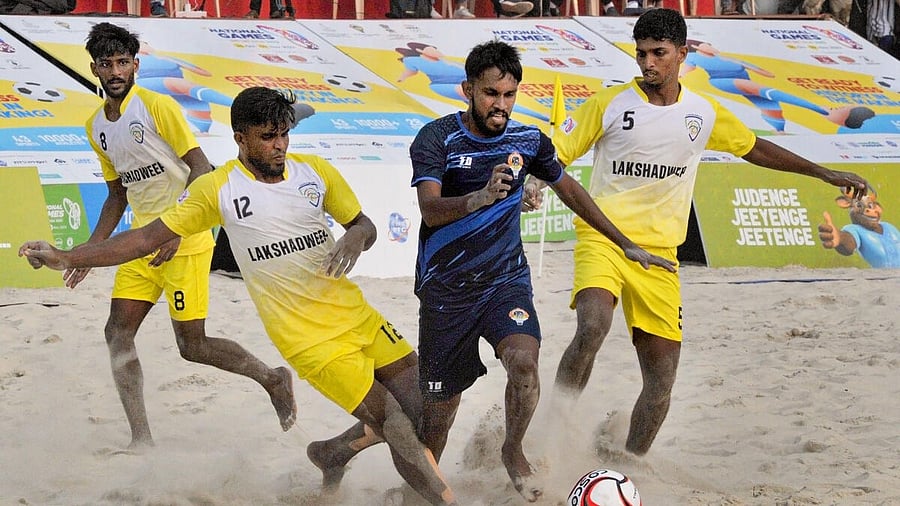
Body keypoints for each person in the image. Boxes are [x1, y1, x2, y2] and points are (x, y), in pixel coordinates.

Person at [20, 86, 458, 506]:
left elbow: (365, 224)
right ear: (240, 139)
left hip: (359, 316)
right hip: (310, 340)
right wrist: (68, 255)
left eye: (284, 134)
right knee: (397, 424)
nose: (279, 145)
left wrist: (356, 238)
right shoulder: (218, 188)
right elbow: (145, 238)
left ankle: (333, 452)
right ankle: (442, 501)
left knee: (429, 409)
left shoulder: (315, 171)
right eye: (268, 137)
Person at [527, 8, 869, 458]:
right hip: (605, 239)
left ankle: (631, 462)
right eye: (641, 53)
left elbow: (755, 148)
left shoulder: (702, 112)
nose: (647, 63)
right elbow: (556, 156)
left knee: (661, 381)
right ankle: (552, 431)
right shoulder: (610, 103)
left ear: (682, 54)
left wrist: (823, 172)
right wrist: (533, 184)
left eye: (658, 53)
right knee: (592, 326)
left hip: (661, 254)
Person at [406, 40, 674, 503]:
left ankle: (513, 449)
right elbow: (430, 210)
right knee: (438, 418)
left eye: (509, 95)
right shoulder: (437, 138)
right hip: (446, 291)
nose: (501, 105)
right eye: (491, 94)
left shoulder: (529, 141)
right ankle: (420, 492)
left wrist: (624, 243)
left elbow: (571, 191)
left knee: (525, 363)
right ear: (468, 90)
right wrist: (480, 198)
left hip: (504, 283)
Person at [73, 22, 296, 450]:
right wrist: (89, 252)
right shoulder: (95, 125)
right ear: (95, 68)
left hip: (185, 240)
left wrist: (177, 228)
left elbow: (201, 167)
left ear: (135, 65)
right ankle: (141, 438)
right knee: (116, 332)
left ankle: (272, 378)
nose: (116, 71)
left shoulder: (156, 107)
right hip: (141, 243)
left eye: (123, 62)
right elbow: (117, 195)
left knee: (191, 346)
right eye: (107, 63)